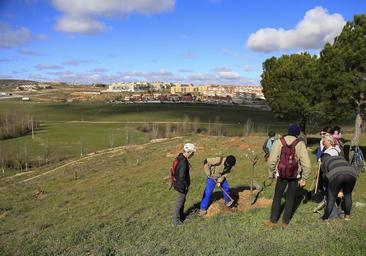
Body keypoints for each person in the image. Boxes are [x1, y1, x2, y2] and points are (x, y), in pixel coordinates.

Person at [263, 124, 311, 227]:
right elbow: (306, 163)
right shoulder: (300, 144)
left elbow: (272, 161)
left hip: (281, 174)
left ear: (288, 131)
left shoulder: (279, 142)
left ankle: (273, 221)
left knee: (277, 197)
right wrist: (304, 177)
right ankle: (285, 222)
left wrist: (272, 172)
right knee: (290, 198)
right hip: (294, 176)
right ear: (298, 133)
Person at [321, 154, 358, 221]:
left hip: (337, 174)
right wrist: (340, 190)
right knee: (347, 195)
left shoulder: (324, 162)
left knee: (331, 197)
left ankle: (325, 218)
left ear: (322, 159)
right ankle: (347, 216)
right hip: (352, 173)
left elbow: (325, 177)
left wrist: (328, 188)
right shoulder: (340, 157)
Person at [172, 143, 196, 226]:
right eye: (192, 153)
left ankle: (182, 216)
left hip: (177, 184)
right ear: (188, 152)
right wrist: (185, 186)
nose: (193, 155)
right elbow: (181, 177)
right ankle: (175, 221)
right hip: (181, 186)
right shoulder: (183, 163)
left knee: (182, 201)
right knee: (179, 202)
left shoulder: (180, 157)